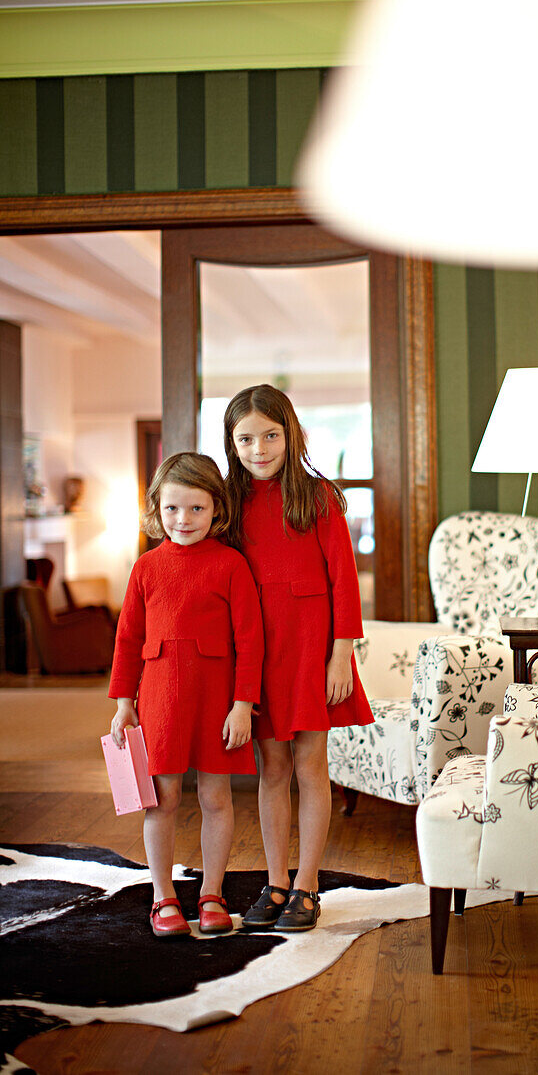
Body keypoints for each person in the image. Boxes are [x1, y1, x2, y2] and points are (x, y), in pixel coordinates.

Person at [224, 384, 373, 931]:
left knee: (311, 766)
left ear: (291, 435)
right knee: (273, 769)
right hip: (258, 650)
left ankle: (308, 886)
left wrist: (341, 656)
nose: (259, 448)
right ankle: (276, 881)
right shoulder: (228, 501)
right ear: (231, 442)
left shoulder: (319, 497)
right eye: (246, 438)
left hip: (312, 647)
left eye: (270, 435)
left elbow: (344, 583)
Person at [108, 452, 264, 939]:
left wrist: (243, 704)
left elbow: (250, 639)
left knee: (217, 796)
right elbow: (128, 638)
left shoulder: (231, 564)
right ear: (157, 508)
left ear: (217, 509)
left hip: (218, 700)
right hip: (158, 700)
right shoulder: (146, 568)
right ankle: (163, 898)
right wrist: (123, 702)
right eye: (173, 509)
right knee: (163, 798)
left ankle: (213, 893)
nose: (184, 520)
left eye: (197, 509)